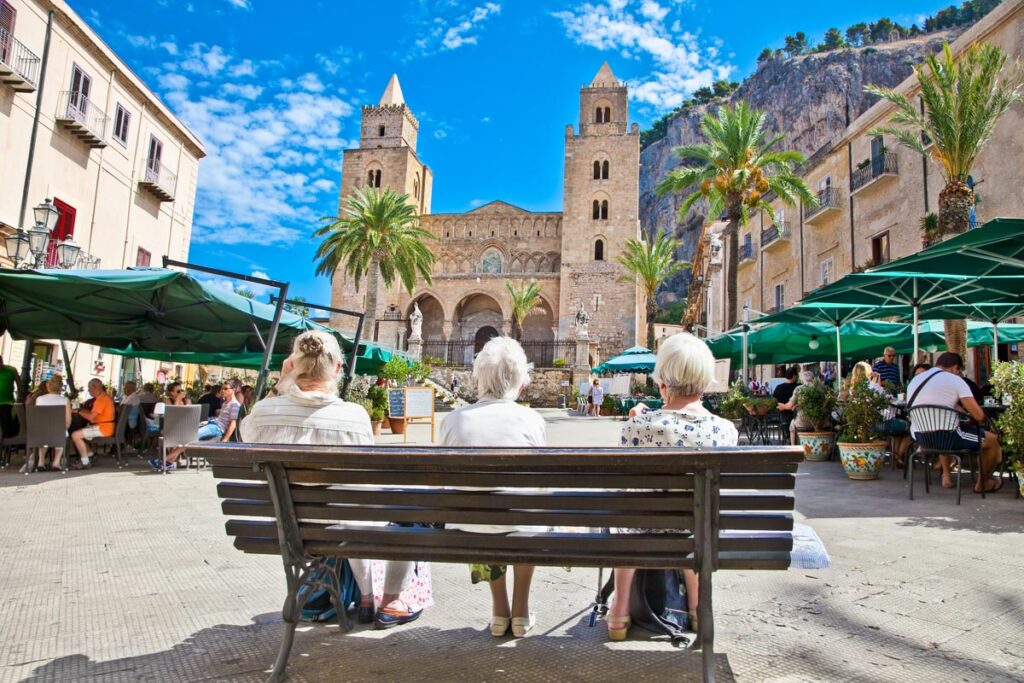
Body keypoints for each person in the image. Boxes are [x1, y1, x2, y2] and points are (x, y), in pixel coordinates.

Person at [242, 331, 432, 630]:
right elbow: (363, 488)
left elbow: (245, 433)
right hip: (346, 524)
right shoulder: (354, 417)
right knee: (398, 507)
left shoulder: (263, 413)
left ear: (291, 365)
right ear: (339, 369)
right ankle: (386, 600)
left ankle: (364, 596)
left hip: (285, 530)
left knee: (350, 510)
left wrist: (280, 387)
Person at [608, 333, 738, 641]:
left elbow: (627, 489)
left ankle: (619, 612)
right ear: (705, 381)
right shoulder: (726, 430)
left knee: (625, 521)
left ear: (662, 382)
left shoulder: (637, 427)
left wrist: (639, 419)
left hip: (643, 528)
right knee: (697, 519)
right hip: (699, 533)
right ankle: (697, 606)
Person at [440, 336, 546, 638]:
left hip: (470, 527)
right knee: (527, 514)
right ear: (520, 382)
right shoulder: (532, 419)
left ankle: (500, 610)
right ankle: (521, 612)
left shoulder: (452, 420)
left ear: (477, 379)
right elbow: (540, 482)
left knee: (479, 512)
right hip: (523, 525)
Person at [906, 352, 1003, 493]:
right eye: (959, 371)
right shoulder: (955, 379)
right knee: (992, 441)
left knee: (949, 427)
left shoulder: (915, 380)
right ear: (955, 368)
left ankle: (947, 473)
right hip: (948, 438)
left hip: (920, 438)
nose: (959, 374)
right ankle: (983, 483)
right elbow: (979, 415)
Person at [155, 380, 242, 472]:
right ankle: (169, 462)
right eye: (222, 388)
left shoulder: (235, 405)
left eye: (225, 388)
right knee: (187, 435)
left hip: (217, 428)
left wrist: (224, 439)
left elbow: (233, 423)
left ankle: (165, 460)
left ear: (233, 390)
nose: (222, 390)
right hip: (212, 424)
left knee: (190, 436)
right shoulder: (225, 403)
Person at [26, 374, 72, 472]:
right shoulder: (65, 400)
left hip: (41, 432)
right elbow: (68, 420)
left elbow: (38, 418)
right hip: (58, 432)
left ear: (48, 386)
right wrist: (63, 429)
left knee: (43, 435)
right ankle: (56, 462)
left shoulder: (40, 399)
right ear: (60, 387)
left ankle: (41, 462)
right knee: (63, 433)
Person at [69, 379, 115, 470]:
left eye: (89, 389)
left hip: (103, 428)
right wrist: (80, 410)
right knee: (79, 433)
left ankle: (85, 462)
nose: (89, 391)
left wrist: (77, 411)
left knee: (75, 435)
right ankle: (89, 454)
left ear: (94, 387)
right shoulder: (103, 397)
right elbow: (92, 413)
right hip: (104, 426)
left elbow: (91, 417)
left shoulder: (101, 400)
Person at [786, 371, 826, 445]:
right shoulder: (821, 389)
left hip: (802, 423)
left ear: (802, 380)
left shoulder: (799, 389)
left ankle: (793, 448)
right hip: (821, 422)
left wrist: (785, 406)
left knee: (792, 424)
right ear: (813, 379)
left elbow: (790, 405)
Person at [0, 355, 23, 439]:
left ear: (1, 362)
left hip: (7, 402)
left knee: (6, 424)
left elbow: (19, 383)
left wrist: (20, 395)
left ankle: (6, 444)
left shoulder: (11, 370)